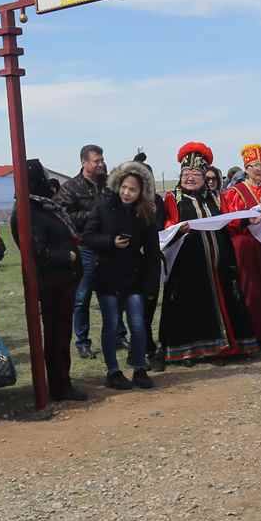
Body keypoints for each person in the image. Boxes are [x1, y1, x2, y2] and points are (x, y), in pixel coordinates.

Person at [158, 142, 257, 366]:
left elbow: (228, 221)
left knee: (225, 300)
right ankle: (188, 352)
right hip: (187, 264)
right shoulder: (172, 199)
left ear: (204, 176)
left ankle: (223, 347)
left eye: (195, 173)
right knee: (190, 306)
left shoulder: (215, 198)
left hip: (218, 264)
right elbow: (165, 225)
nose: (189, 177)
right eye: (185, 173)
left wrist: (246, 219)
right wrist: (176, 227)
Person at [11, 158, 89, 402]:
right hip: (51, 284)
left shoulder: (43, 207)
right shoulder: (27, 211)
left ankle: (62, 382)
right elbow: (37, 250)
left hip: (62, 282)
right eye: (42, 177)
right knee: (55, 337)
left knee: (61, 335)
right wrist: (68, 254)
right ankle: (58, 386)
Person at [84, 160, 162, 390]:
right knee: (111, 325)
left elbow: (152, 251)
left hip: (134, 278)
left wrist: (151, 284)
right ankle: (113, 372)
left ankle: (139, 368)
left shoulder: (146, 213)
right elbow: (87, 236)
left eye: (133, 189)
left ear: (141, 192)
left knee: (138, 324)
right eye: (125, 187)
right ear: (118, 185)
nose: (127, 193)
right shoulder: (103, 206)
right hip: (108, 277)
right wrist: (110, 242)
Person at [220, 143, 261, 345]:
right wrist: (247, 220)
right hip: (246, 245)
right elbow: (228, 218)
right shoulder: (235, 191)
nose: (260, 169)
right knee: (251, 289)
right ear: (246, 168)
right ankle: (251, 334)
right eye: (255, 165)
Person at [58, 144, 109, 359]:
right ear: (84, 162)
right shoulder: (70, 188)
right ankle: (82, 342)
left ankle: (117, 336)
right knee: (82, 297)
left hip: (107, 246)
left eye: (101, 159)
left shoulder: (108, 185)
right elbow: (63, 215)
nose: (100, 163)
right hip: (85, 247)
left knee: (111, 295)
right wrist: (94, 215)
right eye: (96, 160)